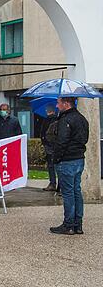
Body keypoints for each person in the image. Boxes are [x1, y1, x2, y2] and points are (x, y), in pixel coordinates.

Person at [50, 97, 89, 235]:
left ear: (66, 104)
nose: (57, 105)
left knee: (68, 193)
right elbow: (85, 139)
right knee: (76, 191)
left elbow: (62, 141)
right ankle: (78, 224)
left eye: (59, 103)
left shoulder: (65, 120)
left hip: (67, 160)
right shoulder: (82, 118)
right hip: (79, 159)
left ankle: (68, 225)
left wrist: (56, 158)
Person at [39, 106, 59, 192]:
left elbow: (44, 132)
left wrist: (44, 142)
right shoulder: (58, 119)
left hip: (50, 145)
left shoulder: (47, 120)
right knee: (57, 165)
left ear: (48, 111)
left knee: (51, 165)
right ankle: (59, 185)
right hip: (56, 145)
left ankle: (53, 183)